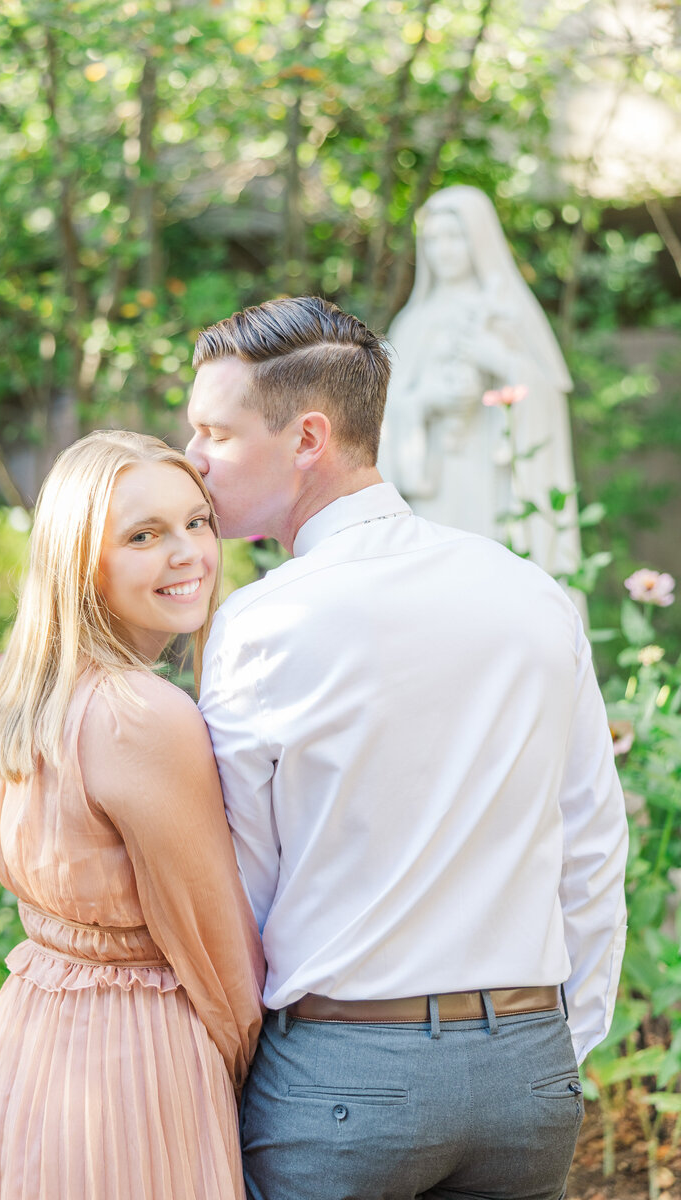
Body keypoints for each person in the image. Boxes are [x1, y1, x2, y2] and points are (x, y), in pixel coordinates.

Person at [185, 296, 628, 1200]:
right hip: (530, 1073)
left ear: (308, 437)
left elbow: (244, 886)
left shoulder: (264, 621)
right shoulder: (532, 593)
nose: (192, 461)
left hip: (345, 1074)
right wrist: (560, 1046)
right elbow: (592, 843)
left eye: (215, 435)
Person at [0, 431, 264, 1200]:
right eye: (144, 535)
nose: (189, 552)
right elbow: (215, 947)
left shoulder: (20, 702)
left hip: (29, 1047)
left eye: (197, 522)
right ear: (81, 563)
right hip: (136, 1063)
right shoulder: (142, 714)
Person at [378, 185, 582, 587]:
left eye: (454, 237)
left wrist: (500, 360)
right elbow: (383, 412)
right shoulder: (413, 321)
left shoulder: (506, 312)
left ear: (479, 239)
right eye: (432, 240)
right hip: (434, 480)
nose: (443, 251)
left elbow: (547, 398)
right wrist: (428, 401)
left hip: (492, 478)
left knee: (493, 578)